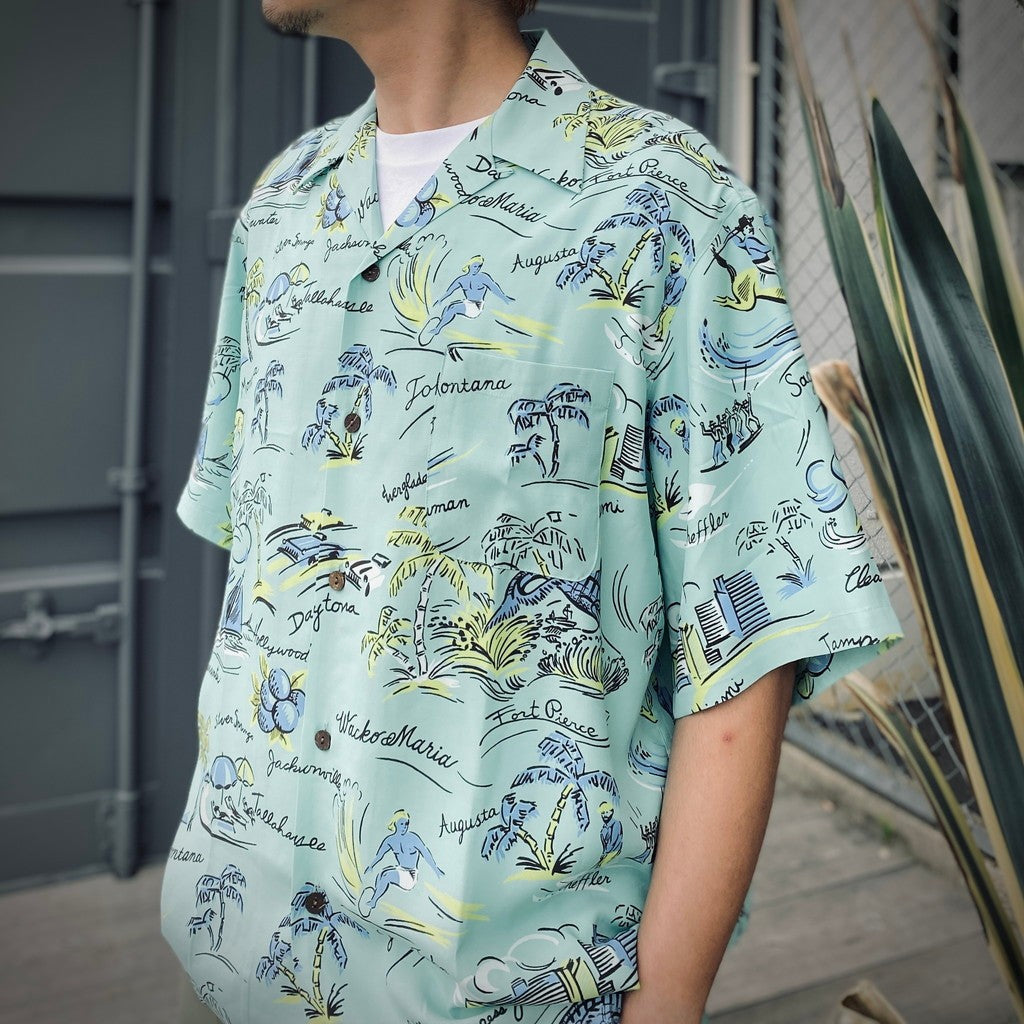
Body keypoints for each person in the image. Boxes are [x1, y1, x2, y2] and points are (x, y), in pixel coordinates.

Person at [161, 2, 905, 1022]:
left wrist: (667, 1000)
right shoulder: (282, 207)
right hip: (233, 946)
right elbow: (257, 574)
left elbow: (751, 635)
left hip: (496, 995)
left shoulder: (666, 209)